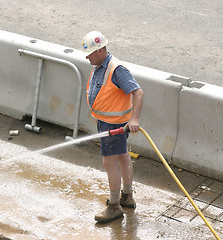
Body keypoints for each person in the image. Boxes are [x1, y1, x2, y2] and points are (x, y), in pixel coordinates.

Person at [81, 31, 144, 223]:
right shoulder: (101, 65)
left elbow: (138, 92)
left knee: (109, 163)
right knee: (122, 156)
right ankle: (127, 196)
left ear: (100, 50)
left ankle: (115, 206)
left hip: (113, 125)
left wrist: (134, 119)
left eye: (90, 53)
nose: (87, 57)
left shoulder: (116, 70)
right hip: (107, 122)